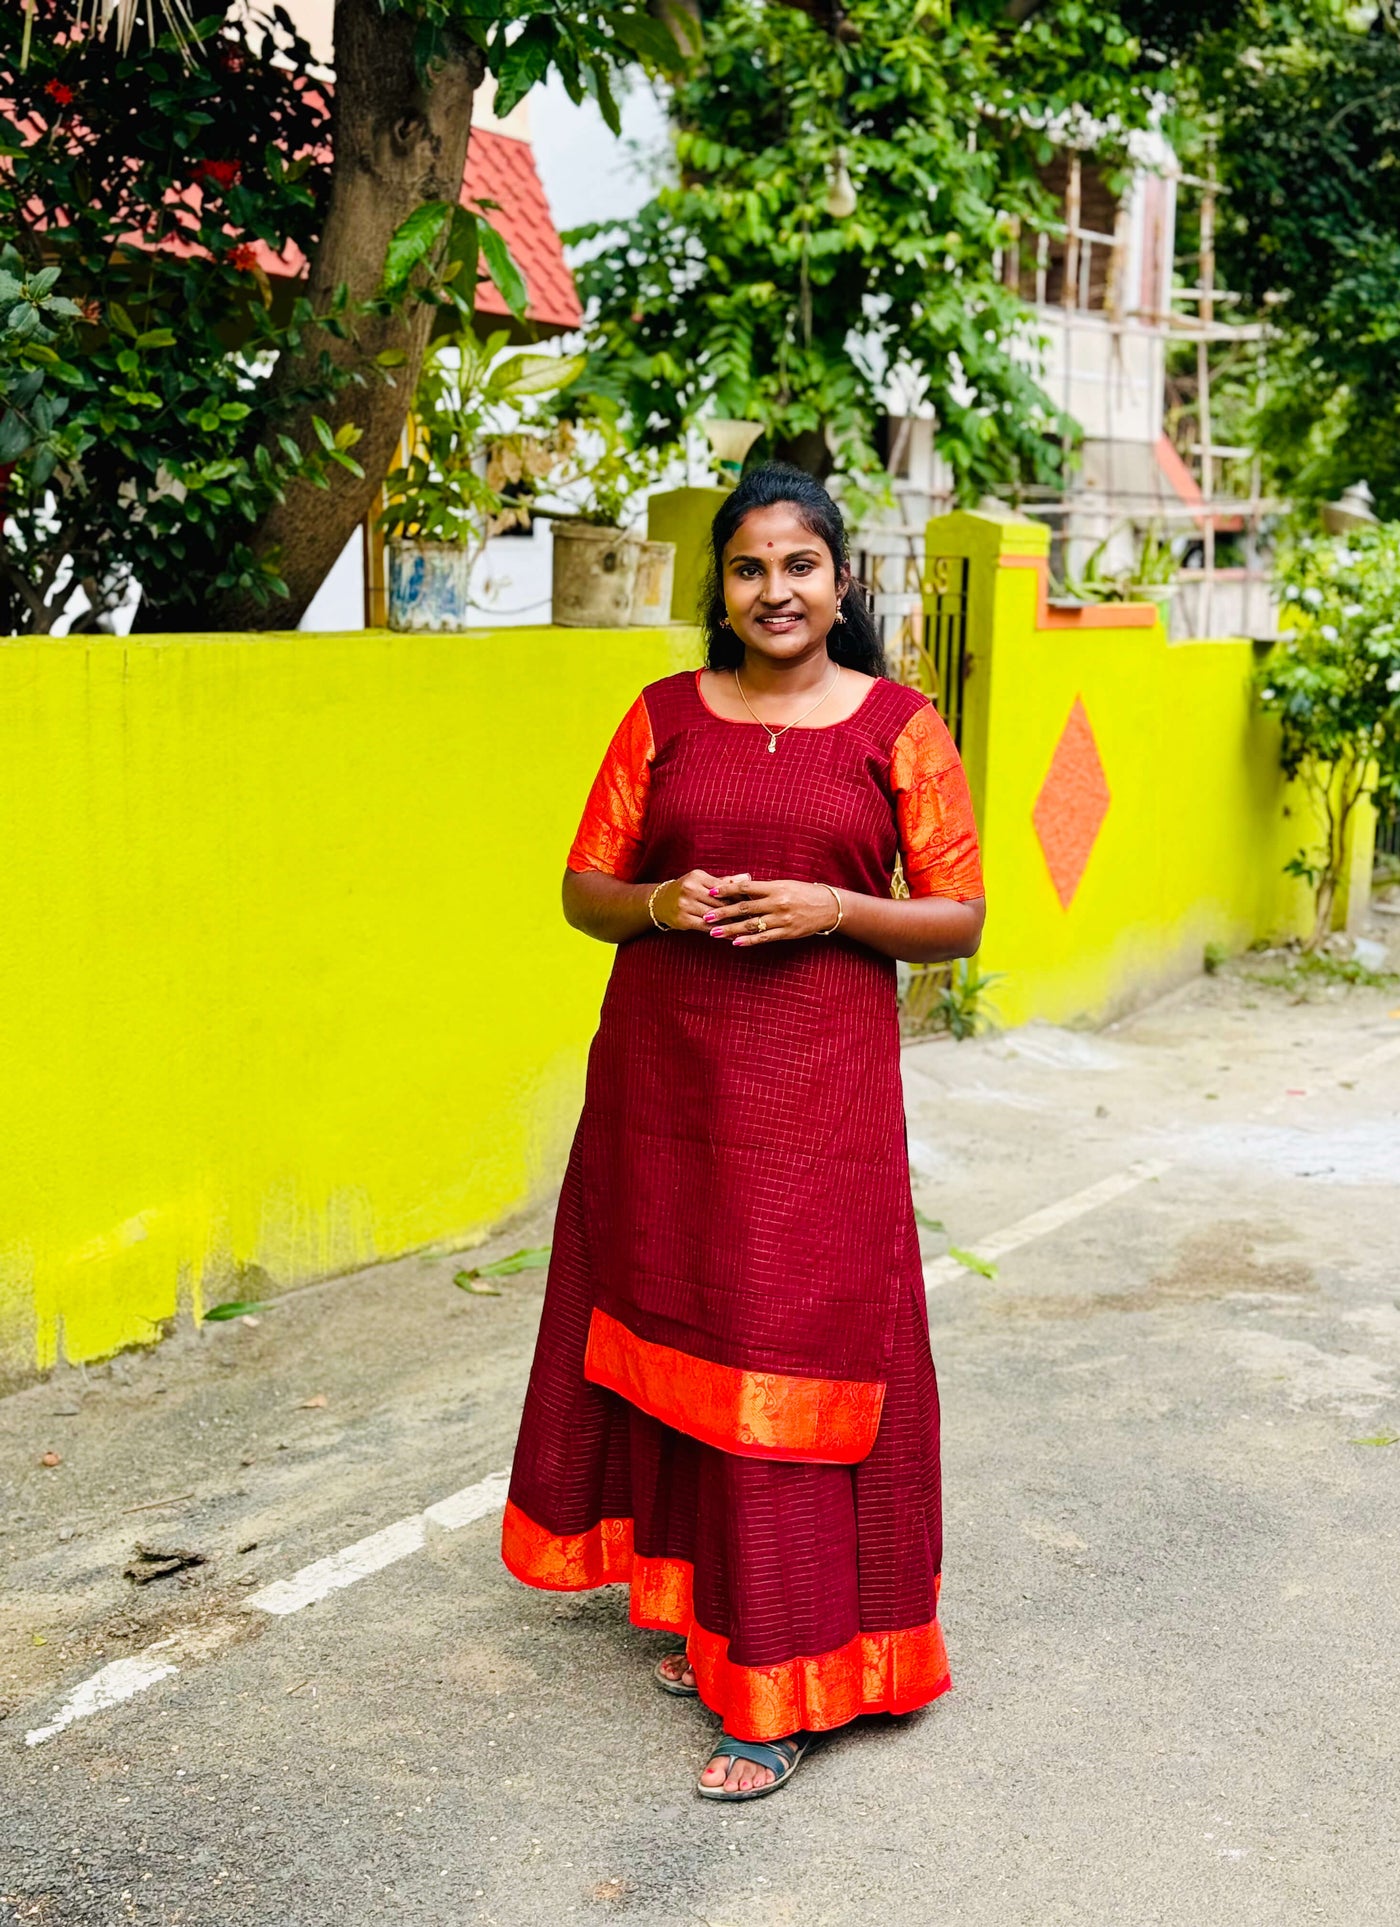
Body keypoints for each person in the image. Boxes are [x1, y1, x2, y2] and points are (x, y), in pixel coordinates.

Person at [502, 463, 986, 1800]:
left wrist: (832, 911)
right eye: (748, 567)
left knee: (789, 1347)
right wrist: (662, 905)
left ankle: (778, 1684)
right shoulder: (660, 716)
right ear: (719, 588)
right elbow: (584, 891)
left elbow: (957, 918)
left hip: (815, 1105)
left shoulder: (897, 727)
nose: (775, 589)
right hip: (664, 1090)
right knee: (679, 1334)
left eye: (799, 565)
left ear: (841, 582)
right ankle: (707, 1612)